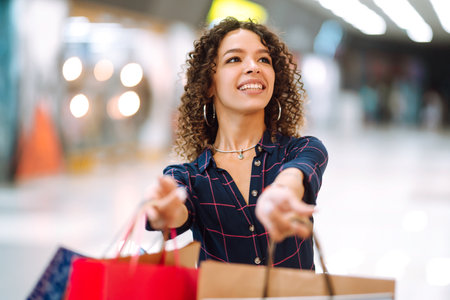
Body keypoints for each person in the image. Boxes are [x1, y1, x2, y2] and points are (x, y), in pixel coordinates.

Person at [145, 17, 328, 269]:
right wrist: (163, 211)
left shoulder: (302, 149)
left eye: (264, 59)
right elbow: (176, 209)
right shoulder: (190, 177)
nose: (254, 67)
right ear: (209, 84)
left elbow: (296, 176)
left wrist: (281, 193)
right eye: (234, 59)